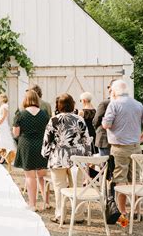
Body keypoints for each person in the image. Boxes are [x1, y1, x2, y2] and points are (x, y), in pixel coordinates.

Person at [102, 80, 143, 217]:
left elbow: (107, 125)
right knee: (134, 179)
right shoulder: (137, 104)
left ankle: (122, 211)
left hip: (119, 147)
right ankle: (136, 211)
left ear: (114, 91)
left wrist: (104, 121)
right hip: (135, 147)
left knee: (120, 179)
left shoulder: (114, 104)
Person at [42, 93, 92, 224]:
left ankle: (60, 216)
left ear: (59, 105)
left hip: (58, 157)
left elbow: (47, 140)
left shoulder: (53, 120)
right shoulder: (79, 120)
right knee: (78, 186)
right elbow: (87, 140)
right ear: (73, 105)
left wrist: (47, 154)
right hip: (77, 157)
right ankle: (79, 216)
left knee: (59, 188)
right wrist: (87, 157)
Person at [13, 90, 50, 211]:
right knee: (42, 176)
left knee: (30, 177)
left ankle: (32, 205)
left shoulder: (20, 114)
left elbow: (16, 133)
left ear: (26, 99)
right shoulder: (44, 114)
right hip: (41, 145)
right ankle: (47, 202)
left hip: (27, 145)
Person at [93, 80, 116, 156]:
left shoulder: (105, 103)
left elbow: (96, 120)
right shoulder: (123, 103)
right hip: (118, 138)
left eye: (109, 87)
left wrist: (97, 129)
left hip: (104, 137)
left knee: (105, 163)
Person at [0, 94, 17, 164]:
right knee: (2, 141)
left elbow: (4, 117)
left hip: (3, 126)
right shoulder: (2, 106)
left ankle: (7, 157)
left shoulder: (5, 106)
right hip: (1, 125)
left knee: (5, 140)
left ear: (2, 99)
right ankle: (3, 157)